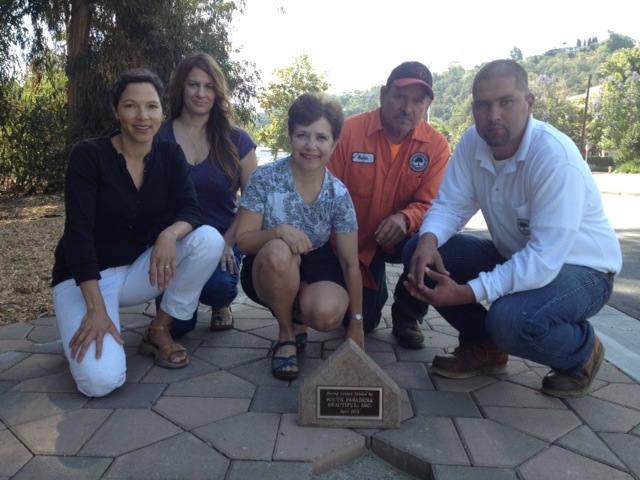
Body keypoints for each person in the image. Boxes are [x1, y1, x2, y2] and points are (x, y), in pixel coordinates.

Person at [404, 59, 623, 398]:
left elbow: (543, 260)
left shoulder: (554, 158)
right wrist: (427, 241)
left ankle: (582, 351)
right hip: (518, 255)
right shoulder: (472, 143)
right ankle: (485, 348)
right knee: (418, 251)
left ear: (529, 103)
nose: (493, 115)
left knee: (510, 320)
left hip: (583, 270)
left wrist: (466, 292)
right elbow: (450, 205)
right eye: (482, 104)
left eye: (505, 102)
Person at [51, 68, 224, 397]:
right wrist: (97, 310)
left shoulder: (169, 156)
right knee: (99, 382)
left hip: (134, 273)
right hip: (82, 279)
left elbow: (191, 209)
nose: (142, 116)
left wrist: (169, 235)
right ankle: (80, 326)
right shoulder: (89, 156)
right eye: (131, 106)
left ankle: (160, 329)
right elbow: (77, 234)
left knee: (208, 240)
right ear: (116, 112)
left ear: (162, 111)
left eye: (152, 106)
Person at [236, 93, 363, 381]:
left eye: (321, 137)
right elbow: (243, 241)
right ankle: (286, 336)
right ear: (290, 135)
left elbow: (349, 263)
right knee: (279, 250)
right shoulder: (265, 179)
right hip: (268, 264)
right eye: (302, 135)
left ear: (334, 143)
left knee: (329, 314)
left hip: (316, 260)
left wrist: (356, 323)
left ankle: (297, 316)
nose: (311, 146)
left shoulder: (338, 193)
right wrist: (277, 231)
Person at [328, 61, 450, 349]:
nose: (407, 108)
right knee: (364, 322)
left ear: (428, 104)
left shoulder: (437, 146)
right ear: (383, 95)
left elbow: (433, 204)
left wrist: (406, 219)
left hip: (401, 240)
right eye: (399, 96)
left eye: (418, 100)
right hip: (352, 244)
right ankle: (372, 287)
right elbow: (327, 194)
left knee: (437, 241)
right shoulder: (349, 132)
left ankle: (408, 313)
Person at [154, 52, 258, 338]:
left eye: (209, 86)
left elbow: (253, 202)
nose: (201, 93)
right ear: (181, 88)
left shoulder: (238, 140)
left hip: (223, 238)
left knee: (218, 287)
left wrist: (227, 242)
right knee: (177, 329)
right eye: (193, 85)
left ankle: (220, 304)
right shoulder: (157, 137)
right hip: (175, 242)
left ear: (218, 92)